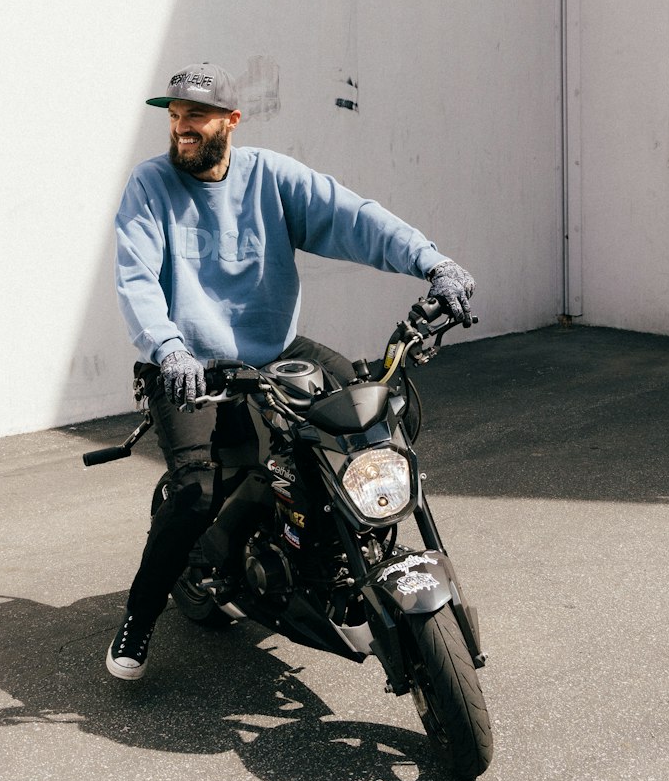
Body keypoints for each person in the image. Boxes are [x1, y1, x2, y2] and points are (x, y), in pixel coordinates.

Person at [107, 62, 474, 680]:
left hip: (273, 349)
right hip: (191, 365)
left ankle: (344, 566)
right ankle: (139, 620)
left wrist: (433, 263)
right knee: (196, 493)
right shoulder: (151, 186)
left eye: (194, 116)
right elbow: (138, 278)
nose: (181, 129)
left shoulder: (268, 178)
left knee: (367, 427)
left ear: (230, 121)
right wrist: (167, 348)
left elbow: (355, 218)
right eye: (173, 118)